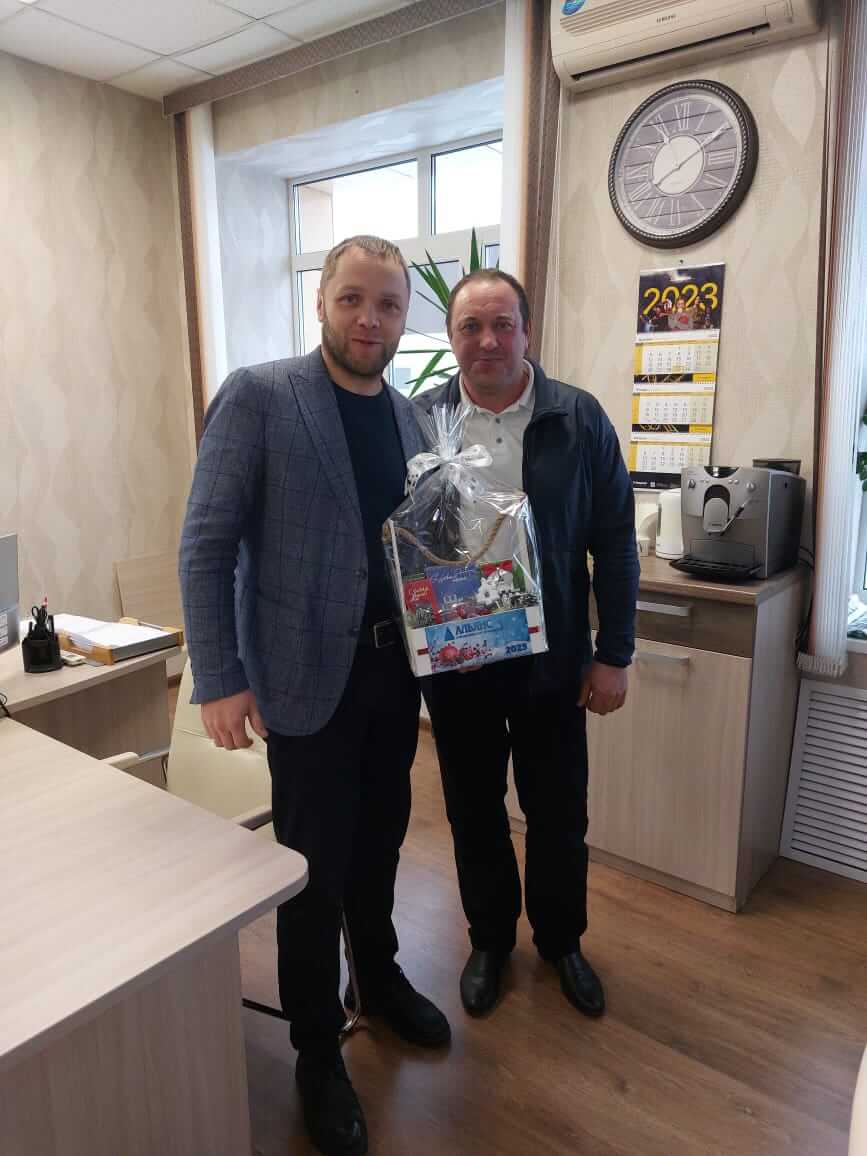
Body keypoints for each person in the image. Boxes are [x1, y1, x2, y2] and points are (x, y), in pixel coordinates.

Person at [179, 235, 449, 1156]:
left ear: (405, 318)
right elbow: (206, 545)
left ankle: (376, 976)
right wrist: (219, 677)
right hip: (300, 680)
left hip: (392, 677)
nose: (369, 319)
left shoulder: (411, 421)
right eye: (352, 300)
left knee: (380, 844)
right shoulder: (260, 395)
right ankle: (314, 1049)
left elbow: (423, 548)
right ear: (322, 302)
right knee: (311, 871)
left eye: (388, 304)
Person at [416, 268, 639, 1021]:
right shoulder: (419, 420)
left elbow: (615, 542)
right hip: (459, 659)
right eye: (470, 327)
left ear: (527, 331)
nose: (487, 340)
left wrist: (615, 654)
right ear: (451, 337)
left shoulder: (576, 417)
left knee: (558, 814)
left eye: (501, 324)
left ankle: (561, 941)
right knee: (473, 809)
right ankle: (488, 940)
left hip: (554, 663)